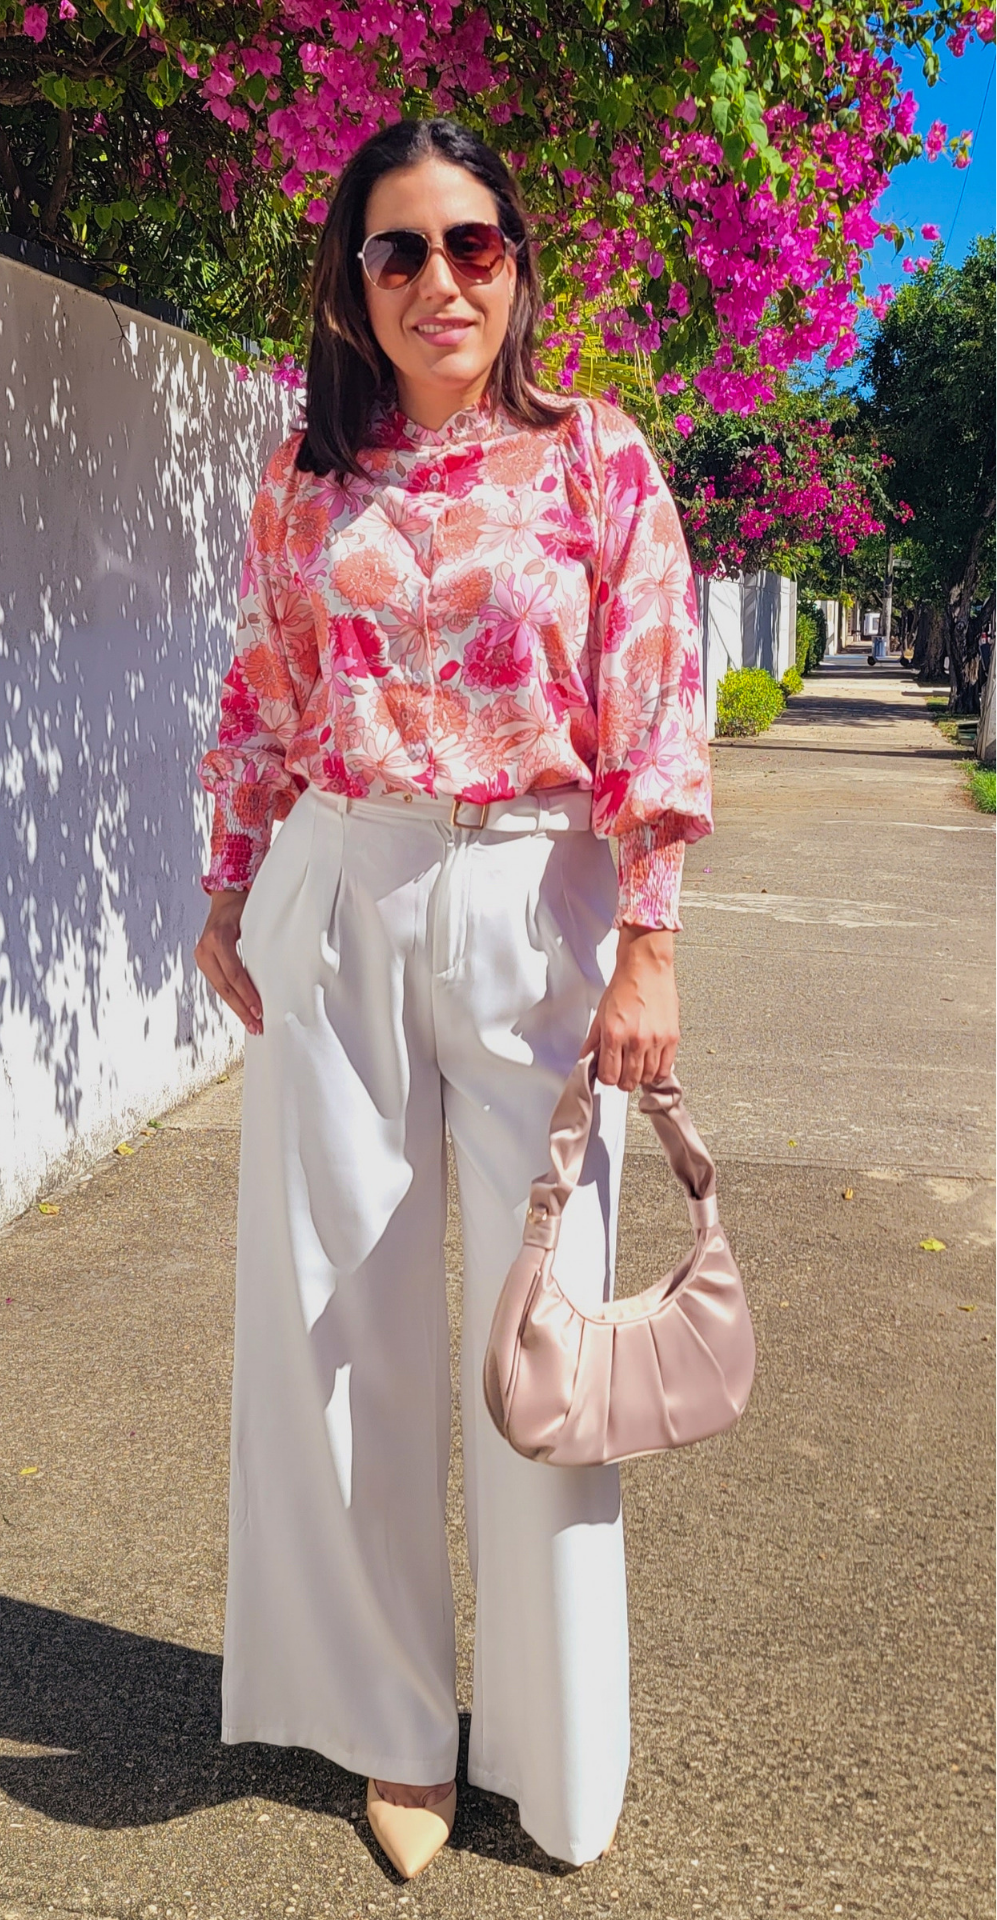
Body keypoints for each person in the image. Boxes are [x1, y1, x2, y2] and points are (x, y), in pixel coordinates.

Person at [195, 116, 712, 1880]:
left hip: (537, 903)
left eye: (471, 245)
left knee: (543, 1322)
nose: (438, 281)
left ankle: (562, 1752)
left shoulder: (595, 461)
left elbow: (653, 691)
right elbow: (264, 694)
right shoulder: (302, 481)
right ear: (355, 280)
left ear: (517, 263)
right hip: (340, 889)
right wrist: (227, 883)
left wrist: (650, 935)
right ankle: (394, 1731)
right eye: (400, 250)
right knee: (338, 1323)